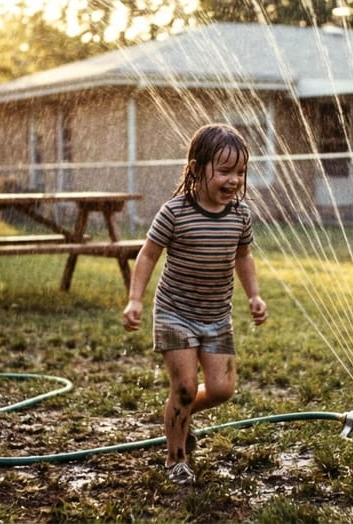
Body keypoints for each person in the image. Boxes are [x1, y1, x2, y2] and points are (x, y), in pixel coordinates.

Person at [122, 123, 268, 485]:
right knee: (185, 385)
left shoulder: (240, 215)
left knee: (222, 389)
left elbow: (244, 257)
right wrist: (135, 300)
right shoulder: (175, 212)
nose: (234, 180)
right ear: (196, 167)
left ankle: (178, 410)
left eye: (240, 172)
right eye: (224, 170)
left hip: (217, 316)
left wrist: (254, 295)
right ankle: (176, 458)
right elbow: (147, 255)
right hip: (175, 313)